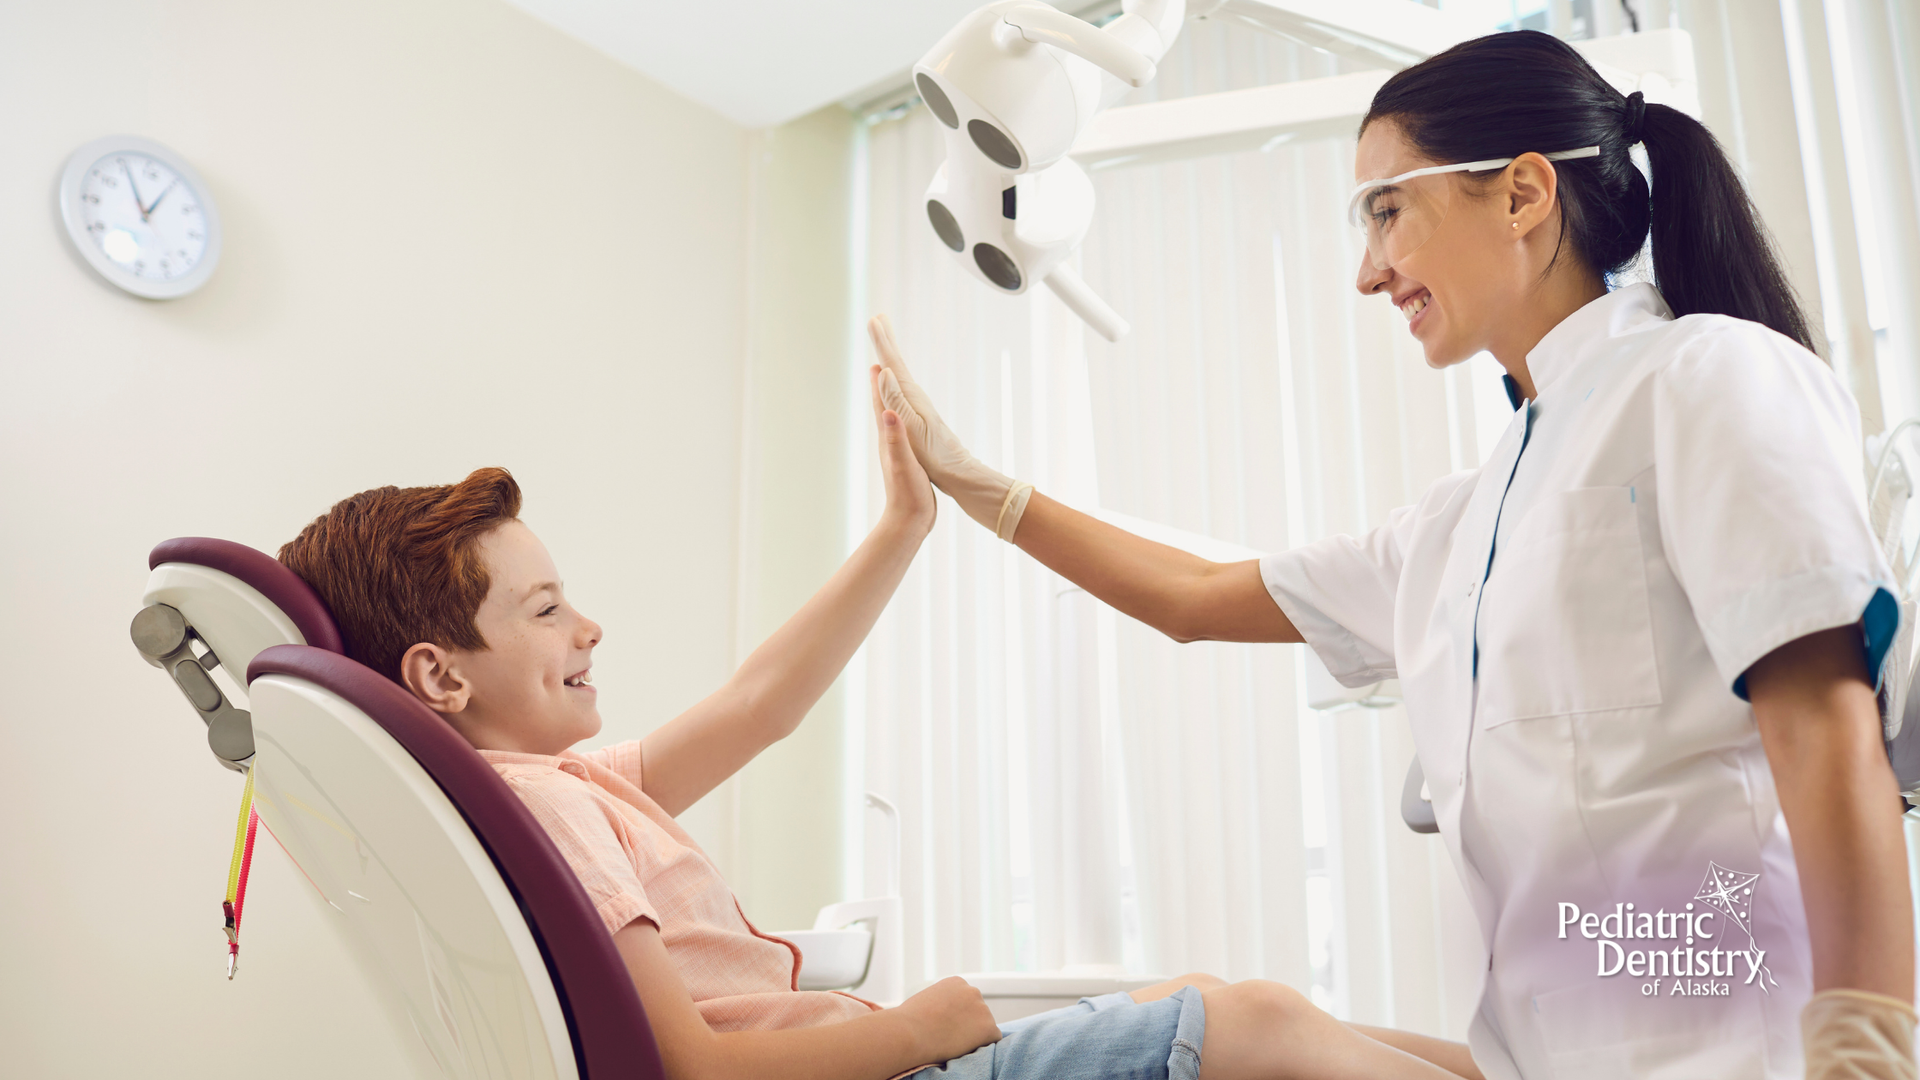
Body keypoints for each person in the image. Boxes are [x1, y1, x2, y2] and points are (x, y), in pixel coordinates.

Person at [871, 28, 1916, 1080]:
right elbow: (1193, 595)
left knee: (1245, 1031)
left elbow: (1829, 732)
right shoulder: (1463, 523)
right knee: (1226, 1013)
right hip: (1554, 1059)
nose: (1368, 273)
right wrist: (978, 487)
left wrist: (1865, 1049)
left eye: (1386, 210)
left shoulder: (1709, 377)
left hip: (1743, 1057)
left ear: (1521, 194)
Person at [275, 371, 1484, 1080]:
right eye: (546, 610)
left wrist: (906, 523)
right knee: (1254, 1019)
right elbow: (690, 1067)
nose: (589, 627)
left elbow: (764, 703)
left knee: (1224, 998)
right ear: (439, 676)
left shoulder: (560, 787)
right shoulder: (544, 806)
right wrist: (919, 1023)